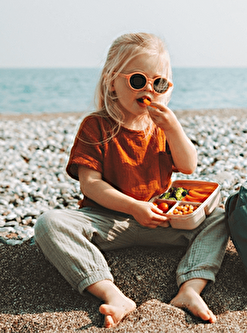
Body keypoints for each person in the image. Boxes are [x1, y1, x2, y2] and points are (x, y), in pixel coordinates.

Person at [34, 32, 228, 327]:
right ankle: (112, 294)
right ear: (113, 81)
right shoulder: (96, 125)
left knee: (220, 216)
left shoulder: (161, 126)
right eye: (138, 80)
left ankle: (190, 288)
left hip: (161, 220)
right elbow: (90, 184)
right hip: (106, 222)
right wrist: (133, 207)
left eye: (158, 83)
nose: (149, 89)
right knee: (49, 223)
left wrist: (174, 128)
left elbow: (188, 166)